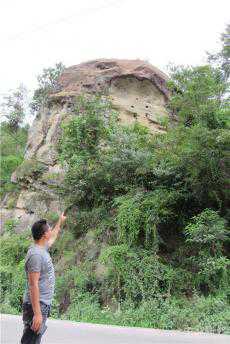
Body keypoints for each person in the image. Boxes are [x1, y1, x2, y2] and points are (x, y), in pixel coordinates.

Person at [20, 212, 67, 344]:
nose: (51, 230)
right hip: (36, 306)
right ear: (44, 234)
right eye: (49, 229)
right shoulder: (36, 255)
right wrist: (38, 313)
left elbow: (54, 237)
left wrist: (60, 221)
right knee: (30, 341)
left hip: (42, 304)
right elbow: (33, 285)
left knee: (33, 340)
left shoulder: (42, 247)